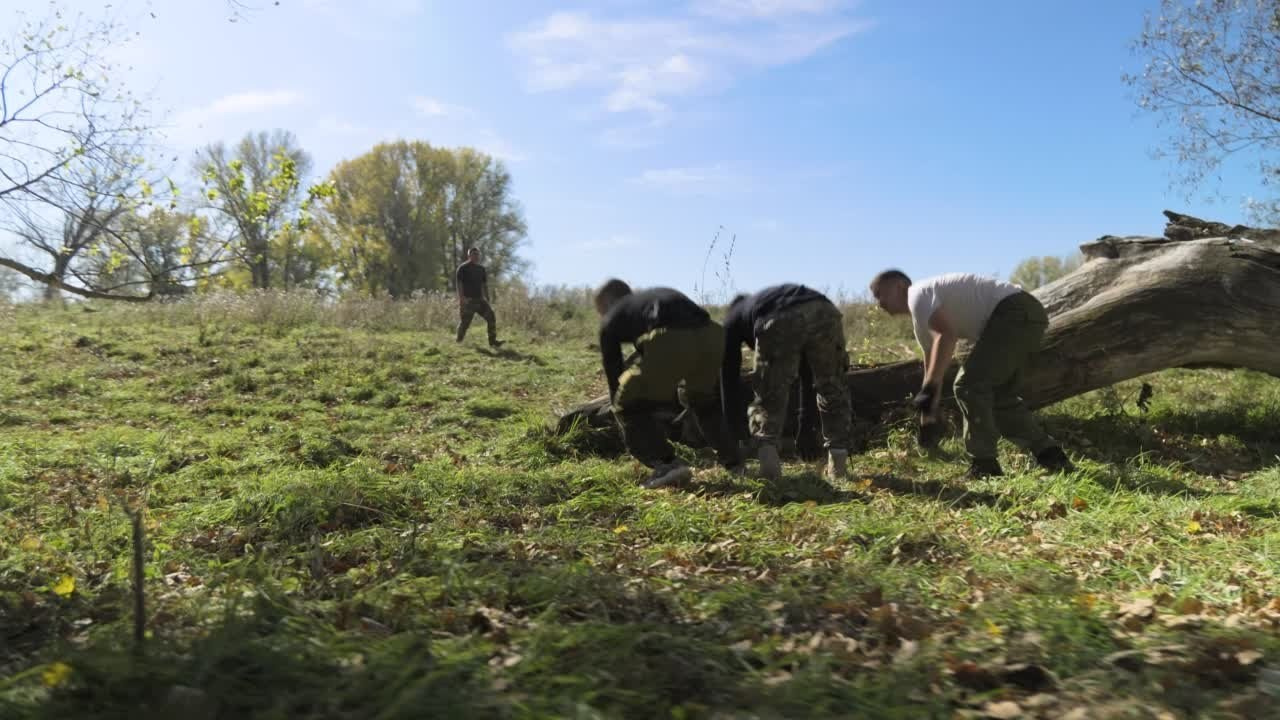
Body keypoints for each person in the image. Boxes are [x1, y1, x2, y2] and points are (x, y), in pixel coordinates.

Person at [869, 269, 1074, 478]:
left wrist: (931, 387)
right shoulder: (921, 319)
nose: (879, 303)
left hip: (1015, 311)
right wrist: (927, 420)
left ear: (900, 286)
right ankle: (1051, 455)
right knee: (1000, 398)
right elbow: (931, 368)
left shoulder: (917, 294)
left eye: (880, 294)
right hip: (1025, 316)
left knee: (968, 385)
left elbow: (946, 336)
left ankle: (984, 465)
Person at [594, 278, 742, 489]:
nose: (602, 316)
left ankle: (666, 464)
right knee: (702, 401)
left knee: (626, 402)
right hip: (712, 336)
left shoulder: (612, 318)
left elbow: (614, 373)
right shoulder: (652, 296)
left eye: (600, 310)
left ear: (607, 303)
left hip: (672, 338)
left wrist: (622, 411)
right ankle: (734, 462)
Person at [721, 284, 853, 482]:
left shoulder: (732, 317)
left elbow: (728, 378)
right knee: (832, 386)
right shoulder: (760, 301)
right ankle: (838, 468)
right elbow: (809, 376)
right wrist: (806, 427)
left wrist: (732, 434)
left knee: (769, 393)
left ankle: (769, 470)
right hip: (825, 310)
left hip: (779, 315)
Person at [455, 247, 502, 348]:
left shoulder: (481, 269)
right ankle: (459, 341)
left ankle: (492, 342)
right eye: (473, 254)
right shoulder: (463, 268)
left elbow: (484, 285)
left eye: (477, 254)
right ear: (469, 256)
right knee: (465, 323)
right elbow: (459, 284)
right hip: (468, 300)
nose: (476, 256)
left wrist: (487, 298)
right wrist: (462, 298)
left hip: (480, 300)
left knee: (491, 317)